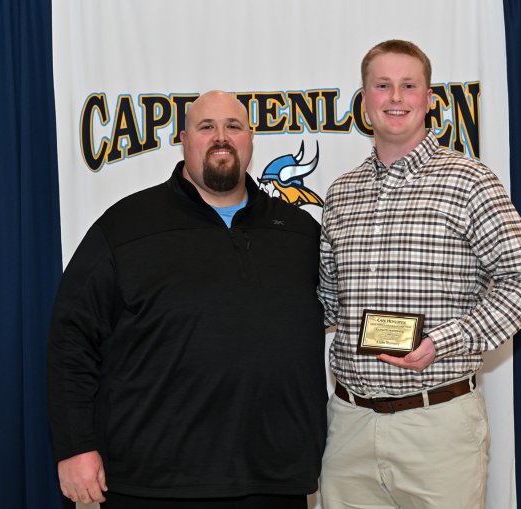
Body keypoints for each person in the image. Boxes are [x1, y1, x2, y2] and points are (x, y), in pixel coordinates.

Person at [47, 90, 327, 509]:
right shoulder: (126, 227)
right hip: (155, 483)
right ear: (183, 139)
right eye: (206, 127)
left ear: (251, 139)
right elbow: (71, 341)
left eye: (233, 126)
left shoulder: (298, 232)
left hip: (273, 479)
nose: (221, 137)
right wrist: (75, 446)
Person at [317, 40, 521, 508]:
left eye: (409, 86)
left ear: (429, 99)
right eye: (382, 86)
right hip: (349, 425)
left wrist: (442, 341)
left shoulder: (469, 181)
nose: (396, 98)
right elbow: (328, 301)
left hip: (437, 425)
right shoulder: (341, 193)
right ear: (364, 100)